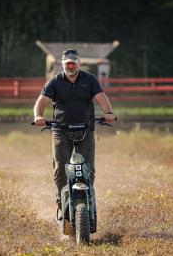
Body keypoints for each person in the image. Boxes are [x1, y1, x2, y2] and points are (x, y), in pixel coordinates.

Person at [33, 49, 115, 207]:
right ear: (63, 65)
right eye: (67, 64)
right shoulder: (55, 81)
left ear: (78, 64)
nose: (71, 66)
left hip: (86, 129)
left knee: (88, 168)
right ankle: (61, 198)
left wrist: (108, 112)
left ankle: (88, 197)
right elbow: (41, 102)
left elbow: (101, 97)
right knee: (60, 167)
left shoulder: (89, 79)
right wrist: (38, 116)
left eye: (73, 63)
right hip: (61, 130)